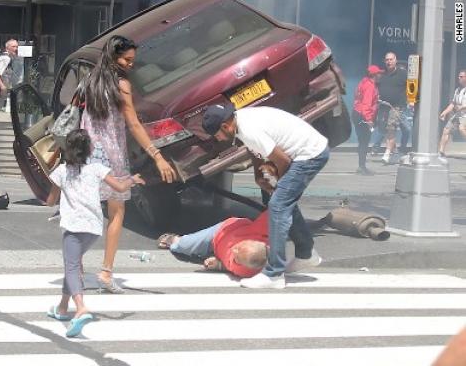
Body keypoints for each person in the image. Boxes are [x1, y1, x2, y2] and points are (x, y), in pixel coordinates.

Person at [80, 35, 177, 293]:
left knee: (86, 212)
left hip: (88, 154)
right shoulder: (121, 85)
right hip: (112, 156)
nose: (130, 64)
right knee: (116, 212)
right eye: (126, 59)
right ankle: (106, 272)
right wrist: (157, 156)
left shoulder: (91, 80)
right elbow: (133, 124)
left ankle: (76, 268)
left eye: (133, 60)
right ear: (114, 56)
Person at [203, 103, 327, 289]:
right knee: (275, 198)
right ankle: (306, 253)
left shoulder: (249, 130)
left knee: (278, 205)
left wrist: (280, 185)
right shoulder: (240, 121)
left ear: (225, 126)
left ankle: (274, 274)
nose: (218, 139)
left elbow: (283, 161)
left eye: (217, 135)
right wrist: (259, 175)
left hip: (309, 155)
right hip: (302, 152)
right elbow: (256, 150)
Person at [44, 129, 144, 338]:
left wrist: (55, 190)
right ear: (89, 149)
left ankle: (80, 308)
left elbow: (50, 202)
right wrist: (133, 179)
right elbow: (120, 187)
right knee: (72, 264)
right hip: (93, 229)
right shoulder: (97, 169)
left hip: (73, 227)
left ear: (67, 149)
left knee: (72, 267)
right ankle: (62, 307)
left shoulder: (61, 171)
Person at [156, 211, 269, 278]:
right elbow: (273, 211)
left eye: (237, 257)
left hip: (219, 248)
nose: (234, 250)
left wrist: (219, 265)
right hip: (221, 231)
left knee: (187, 248)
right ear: (255, 241)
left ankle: (176, 242)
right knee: (184, 245)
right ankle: (175, 240)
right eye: (239, 247)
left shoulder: (244, 271)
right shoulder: (260, 231)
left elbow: (230, 268)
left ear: (244, 265)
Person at [377, 52, 410, 165]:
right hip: (383, 106)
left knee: (391, 128)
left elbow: (411, 86)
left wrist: (410, 100)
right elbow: (377, 87)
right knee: (384, 129)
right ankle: (395, 152)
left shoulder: (403, 73)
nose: (389, 62)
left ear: (395, 60)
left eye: (391, 59)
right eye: (387, 60)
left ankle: (386, 154)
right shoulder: (382, 74)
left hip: (397, 107)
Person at [353, 65, 382, 175]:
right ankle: (362, 167)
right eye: (379, 73)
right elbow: (366, 105)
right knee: (364, 142)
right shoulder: (370, 86)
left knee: (362, 141)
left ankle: (361, 166)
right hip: (363, 116)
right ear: (374, 75)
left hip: (357, 113)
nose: (380, 75)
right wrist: (369, 120)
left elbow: (358, 97)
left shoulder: (363, 82)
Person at [438, 70, 466, 159]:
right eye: (459, 76)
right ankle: (441, 152)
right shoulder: (457, 90)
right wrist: (445, 112)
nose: (459, 78)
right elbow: (453, 104)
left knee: (462, 129)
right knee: (446, 130)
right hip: (458, 115)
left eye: (461, 76)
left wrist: (461, 107)